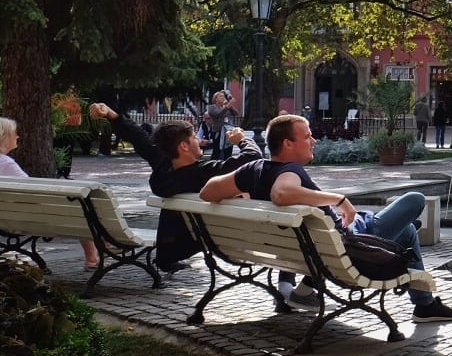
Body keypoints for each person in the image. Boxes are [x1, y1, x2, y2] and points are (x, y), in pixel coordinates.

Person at [200, 114, 452, 323]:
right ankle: (425, 305)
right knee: (415, 200)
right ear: (287, 144)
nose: (313, 140)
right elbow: (281, 194)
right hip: (349, 246)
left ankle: (425, 304)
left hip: (304, 251)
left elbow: (208, 191)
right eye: (307, 136)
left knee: (407, 230)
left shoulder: (254, 168)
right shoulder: (290, 169)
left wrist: (243, 197)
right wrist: (338, 199)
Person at [88, 103, 262, 272]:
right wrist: (242, 139)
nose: (199, 140)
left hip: (172, 244)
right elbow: (253, 158)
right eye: (194, 137)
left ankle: (166, 259)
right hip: (208, 240)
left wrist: (111, 114)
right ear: (184, 146)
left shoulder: (164, 166)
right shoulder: (204, 173)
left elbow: (137, 136)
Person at [0, 116, 99, 269]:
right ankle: (92, 256)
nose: (18, 136)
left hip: (6, 217)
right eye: (14, 133)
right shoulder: (6, 164)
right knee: (79, 209)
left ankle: (96, 251)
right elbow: (32, 190)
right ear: (4, 137)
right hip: (22, 219)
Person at [206, 89, 239, 159]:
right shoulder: (212, 107)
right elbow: (218, 114)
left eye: (223, 96)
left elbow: (236, 113)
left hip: (227, 132)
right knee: (217, 151)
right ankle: (214, 166)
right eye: (220, 96)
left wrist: (230, 106)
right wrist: (228, 106)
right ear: (216, 99)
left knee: (228, 151)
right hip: (218, 132)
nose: (223, 98)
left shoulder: (226, 107)